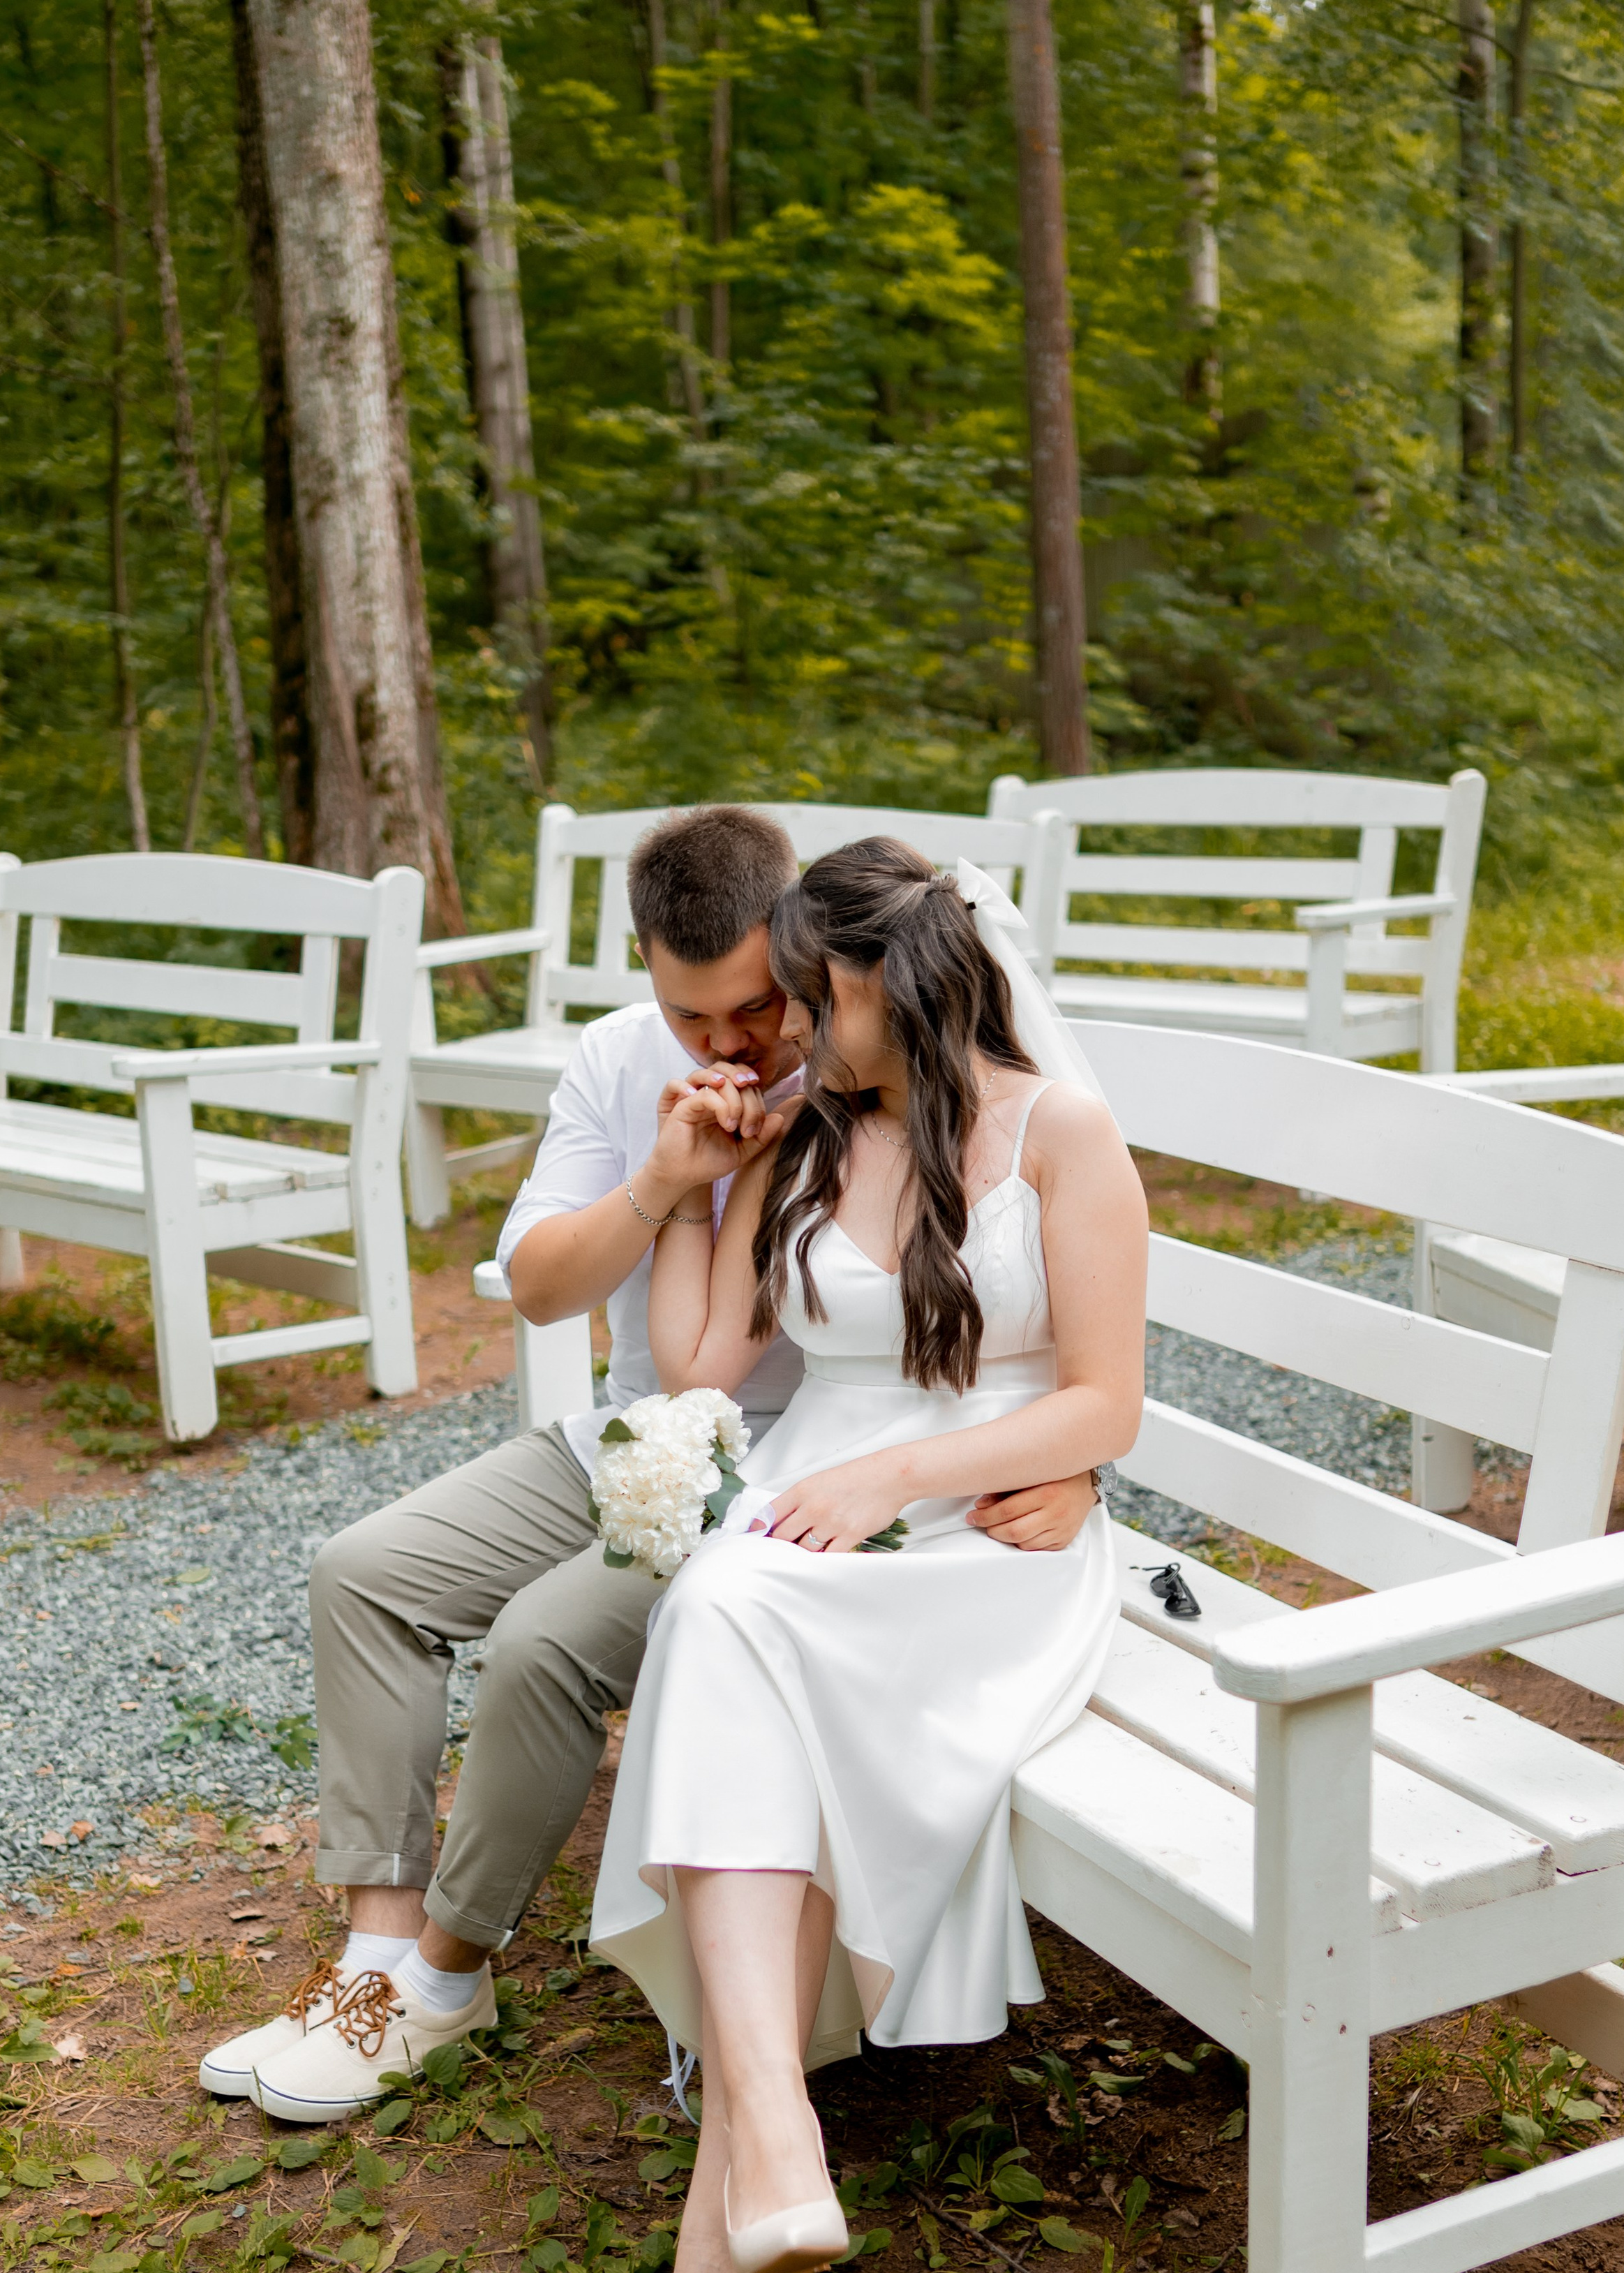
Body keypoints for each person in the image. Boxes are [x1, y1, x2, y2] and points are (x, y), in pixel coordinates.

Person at [197, 805, 1102, 2121]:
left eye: (758, 1009)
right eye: (695, 1020)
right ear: (646, 976)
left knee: (541, 1646)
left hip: (805, 1474)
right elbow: (550, 1293)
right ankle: (379, 1960)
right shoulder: (627, 1061)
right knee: (364, 1573)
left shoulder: (871, 1084)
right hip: (644, 1437)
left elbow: (1046, 1318)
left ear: (801, 958)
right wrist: (669, 1182)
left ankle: (447, 1974)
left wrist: (1071, 1472)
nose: (731, 1044)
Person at [590, 836, 1148, 2273]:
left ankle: (736, 2232)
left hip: (981, 1541)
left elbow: (1101, 1397)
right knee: (725, 1607)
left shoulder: (1064, 1136)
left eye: (811, 997)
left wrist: (921, 1469)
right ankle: (771, 2133)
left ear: (885, 987)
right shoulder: (815, 1135)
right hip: (808, 1521)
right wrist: (700, 1170)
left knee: (728, 1614)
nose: (783, 1033)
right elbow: (703, 1358)